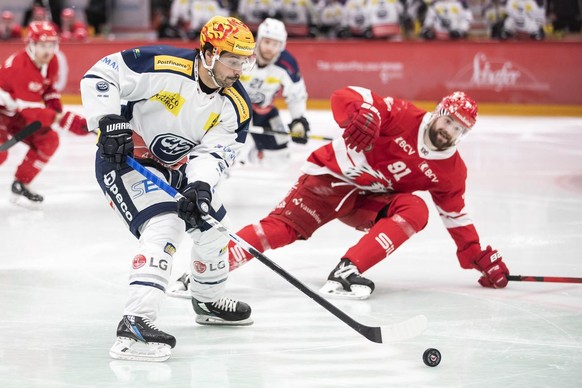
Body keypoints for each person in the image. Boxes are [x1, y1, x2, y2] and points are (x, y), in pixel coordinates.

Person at [80, 15, 257, 362]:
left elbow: (213, 152)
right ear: (208, 53)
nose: (239, 70)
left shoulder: (235, 106)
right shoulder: (164, 65)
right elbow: (102, 73)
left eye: (243, 62)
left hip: (175, 171)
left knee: (212, 228)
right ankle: (135, 322)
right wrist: (107, 120)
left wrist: (201, 187)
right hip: (126, 161)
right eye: (232, 60)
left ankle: (207, 300)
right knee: (166, 223)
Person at [226, 86, 510, 300]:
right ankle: (212, 267)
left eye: (459, 129)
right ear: (439, 112)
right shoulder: (402, 114)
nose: (449, 132)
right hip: (332, 177)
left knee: (416, 210)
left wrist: (474, 254)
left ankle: (348, 271)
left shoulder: (452, 171)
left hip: (367, 200)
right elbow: (343, 96)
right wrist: (362, 112)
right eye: (449, 121)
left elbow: (455, 215)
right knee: (282, 230)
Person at [0, 20, 88, 206]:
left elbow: (48, 89)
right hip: (4, 112)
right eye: (42, 45)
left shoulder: (51, 61)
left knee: (48, 140)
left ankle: (21, 183)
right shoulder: (20, 68)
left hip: (14, 111)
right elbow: (31, 113)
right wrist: (64, 119)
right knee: (1, 154)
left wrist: (56, 109)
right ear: (31, 45)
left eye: (51, 45)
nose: (47, 51)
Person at [238, 17, 310, 166]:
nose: (270, 48)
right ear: (258, 40)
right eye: (267, 42)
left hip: (263, 112)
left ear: (282, 46)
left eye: (276, 44)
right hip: (233, 110)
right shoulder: (241, 54)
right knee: (229, 151)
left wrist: (298, 120)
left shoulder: (286, 64)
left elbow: (296, 94)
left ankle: (252, 154)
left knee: (279, 159)